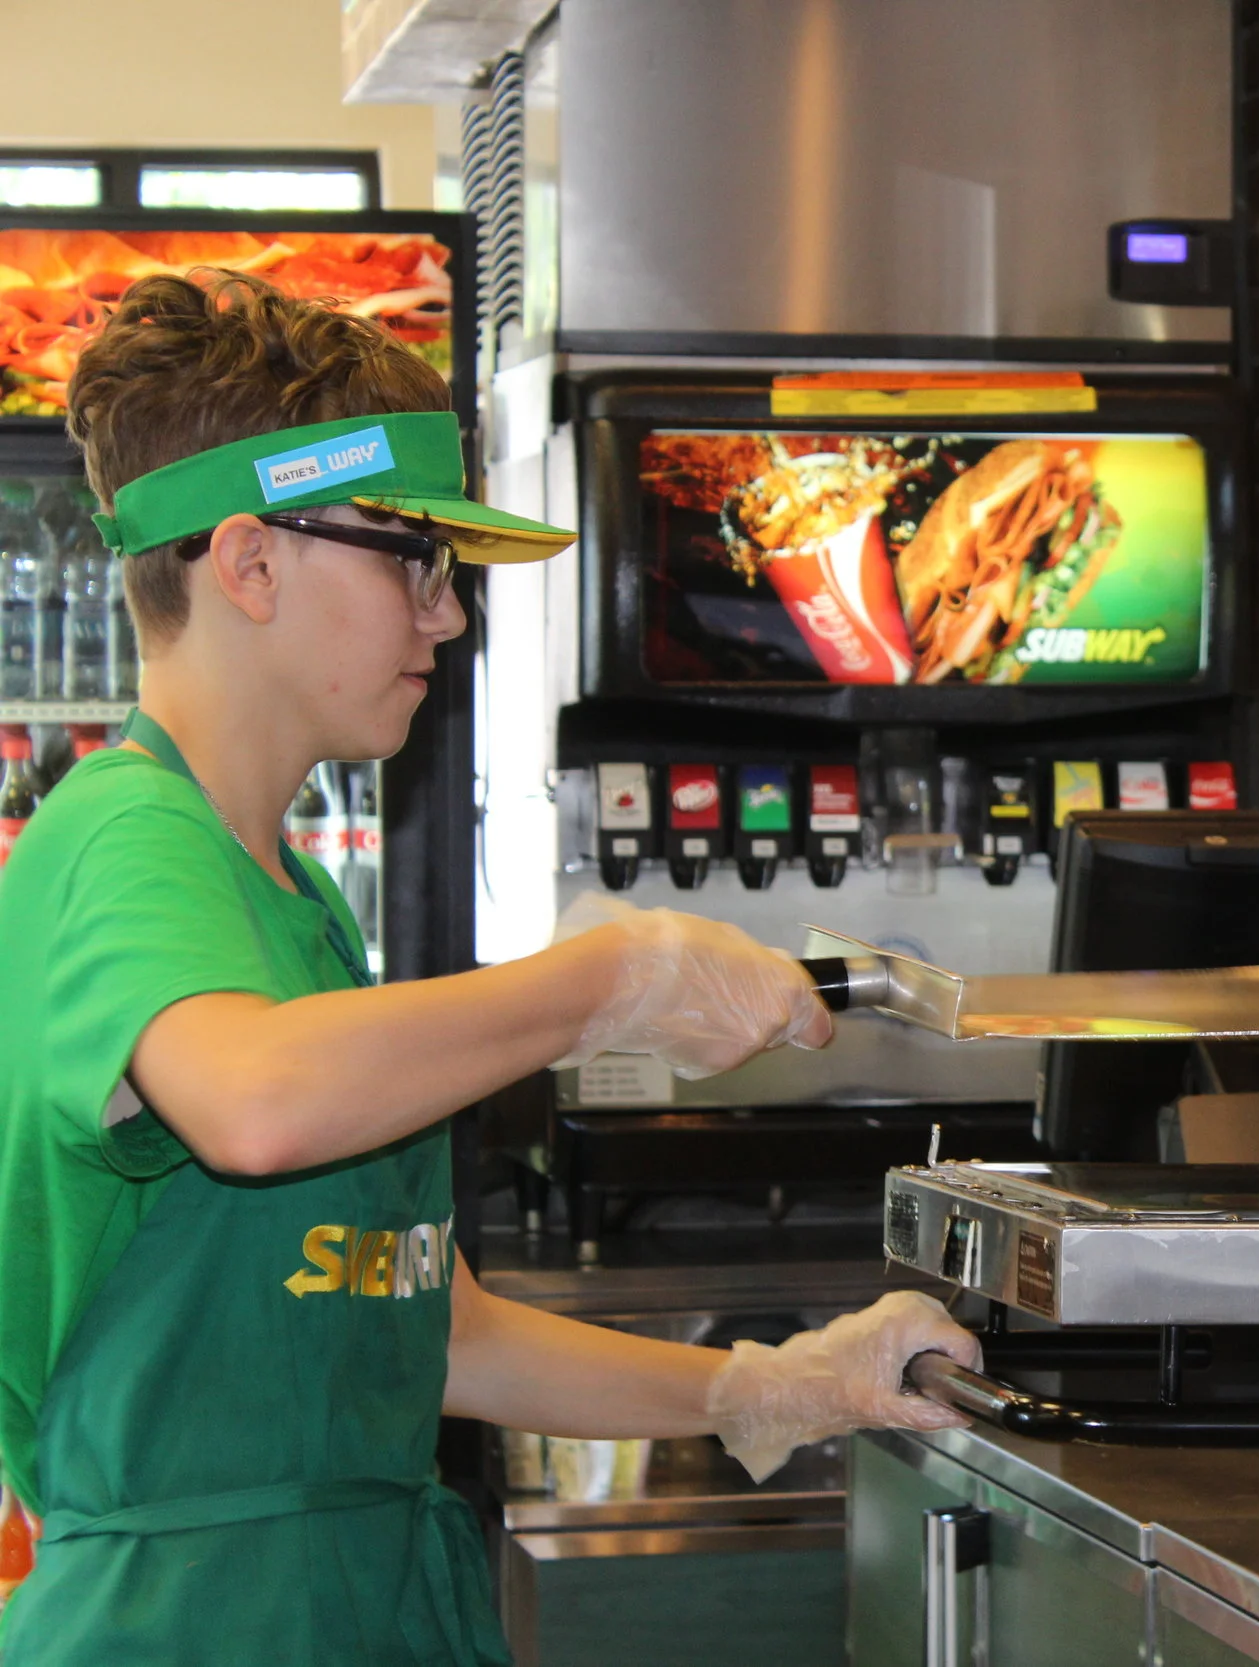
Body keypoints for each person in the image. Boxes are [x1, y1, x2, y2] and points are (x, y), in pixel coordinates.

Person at [0, 271, 981, 1664]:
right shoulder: (122, 837)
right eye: (409, 555)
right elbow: (256, 1105)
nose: (446, 615)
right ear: (251, 563)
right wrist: (606, 979)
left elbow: (435, 1335)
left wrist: (780, 1384)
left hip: (366, 1609)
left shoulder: (292, 907)